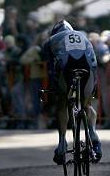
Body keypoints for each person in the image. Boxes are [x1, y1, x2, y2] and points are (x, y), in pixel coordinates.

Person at [43, 20, 101, 165]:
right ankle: (93, 135)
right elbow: (94, 62)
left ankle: (62, 144)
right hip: (87, 69)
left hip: (67, 68)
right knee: (87, 105)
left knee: (62, 103)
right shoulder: (83, 35)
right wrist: (93, 87)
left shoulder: (52, 40)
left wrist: (55, 88)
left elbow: (50, 69)